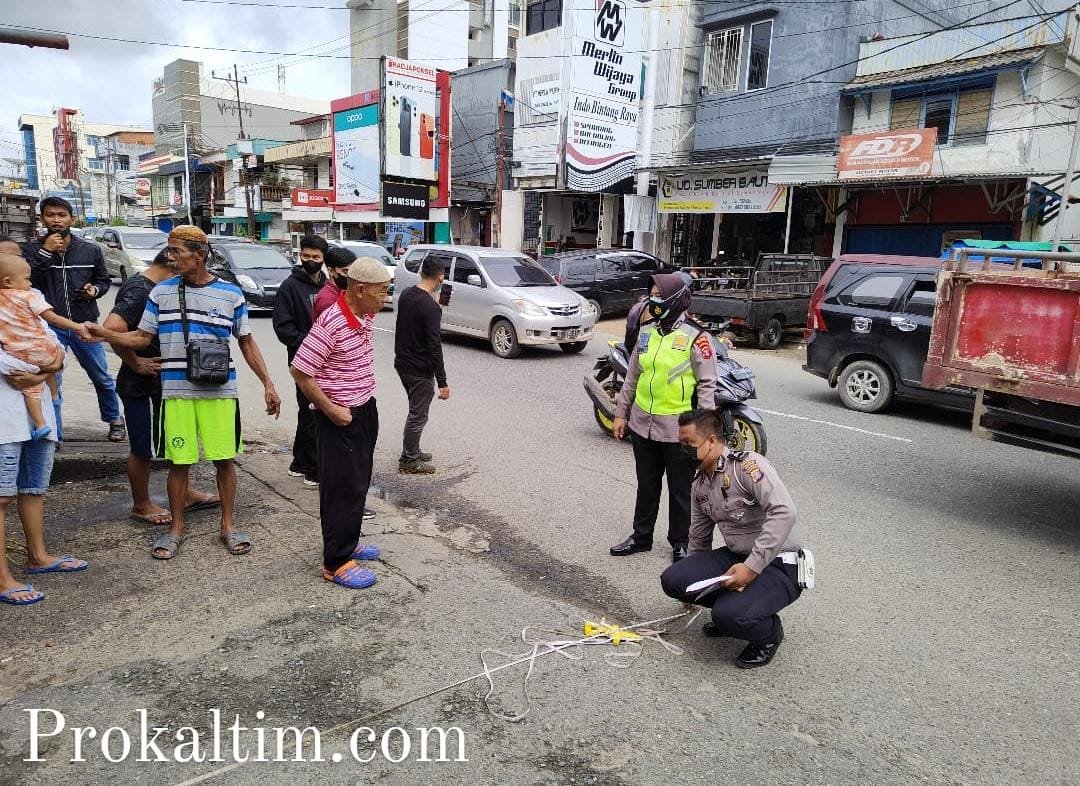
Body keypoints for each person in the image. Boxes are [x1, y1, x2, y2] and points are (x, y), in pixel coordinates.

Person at [88, 225, 281, 560]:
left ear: (200, 254)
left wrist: (268, 383)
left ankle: (228, 525)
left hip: (219, 393)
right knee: (179, 462)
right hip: (175, 393)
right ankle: (176, 528)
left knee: (224, 460)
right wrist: (105, 334)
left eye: (178, 251)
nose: (171, 257)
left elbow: (246, 341)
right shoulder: (160, 292)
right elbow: (141, 338)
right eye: (170, 251)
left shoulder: (230, 293)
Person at [660, 408, 805, 668]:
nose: (684, 451)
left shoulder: (747, 466)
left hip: (780, 562)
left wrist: (751, 568)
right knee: (674, 580)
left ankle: (768, 634)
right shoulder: (700, 484)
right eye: (680, 444)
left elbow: (785, 512)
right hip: (737, 556)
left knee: (729, 616)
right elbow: (699, 537)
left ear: (713, 441)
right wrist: (692, 589)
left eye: (689, 444)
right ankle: (735, 609)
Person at [290, 257, 391, 590]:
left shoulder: (364, 315)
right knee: (339, 489)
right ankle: (335, 562)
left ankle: (349, 541)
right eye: (382, 291)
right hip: (339, 416)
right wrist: (332, 411)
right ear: (359, 289)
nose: (385, 297)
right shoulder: (332, 322)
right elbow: (301, 371)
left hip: (363, 408)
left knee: (358, 483)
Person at [101, 248, 219, 526]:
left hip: (166, 382)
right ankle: (141, 504)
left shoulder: (154, 286)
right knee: (143, 447)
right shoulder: (141, 290)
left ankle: (186, 492)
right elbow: (112, 327)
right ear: (173, 266)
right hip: (142, 384)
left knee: (176, 440)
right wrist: (135, 362)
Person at [609, 273, 718, 563]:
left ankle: (681, 543)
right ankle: (641, 536)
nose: (653, 301)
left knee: (681, 490)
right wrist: (621, 414)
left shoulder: (697, 337)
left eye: (659, 295)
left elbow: (708, 386)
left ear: (675, 299)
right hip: (642, 425)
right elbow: (633, 376)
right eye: (651, 294)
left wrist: (703, 432)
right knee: (647, 484)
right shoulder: (646, 332)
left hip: (678, 431)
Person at [22, 197, 125, 442]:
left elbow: (103, 280)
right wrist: (46, 251)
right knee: (52, 381)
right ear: (42, 219)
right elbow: (26, 281)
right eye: (50, 215)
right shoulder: (32, 250)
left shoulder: (89, 250)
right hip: (49, 328)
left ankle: (114, 420)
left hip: (85, 324)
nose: (56, 220)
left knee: (101, 375)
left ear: (72, 218)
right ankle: (55, 433)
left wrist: (95, 291)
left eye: (61, 215)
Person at [0, 330, 87, 606]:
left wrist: (42, 370)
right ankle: (3, 578)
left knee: (33, 488)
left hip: (38, 419)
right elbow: (12, 366)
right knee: (1, 499)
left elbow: (59, 351)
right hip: (5, 421)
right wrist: (44, 366)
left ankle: (38, 556)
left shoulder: (30, 311)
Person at [0, 254, 96, 440]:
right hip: (41, 349)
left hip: (17, 354)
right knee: (36, 385)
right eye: (27, 279)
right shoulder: (28, 296)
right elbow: (51, 318)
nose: (30, 283)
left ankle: (48, 406)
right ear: (8, 281)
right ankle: (44, 416)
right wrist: (78, 327)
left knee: (34, 384)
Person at [273, 235, 329, 486]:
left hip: (325, 361)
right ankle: (312, 469)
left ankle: (298, 462)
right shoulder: (290, 287)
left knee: (310, 412)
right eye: (305, 256)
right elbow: (283, 329)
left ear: (323, 259)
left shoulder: (325, 286)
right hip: (302, 362)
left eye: (315, 257)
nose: (310, 261)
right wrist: (311, 344)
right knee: (311, 413)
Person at [394, 254, 450, 475]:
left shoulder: (408, 295)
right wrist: (443, 382)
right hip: (419, 368)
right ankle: (408, 460)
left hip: (403, 363)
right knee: (418, 414)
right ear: (441, 277)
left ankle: (413, 450)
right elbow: (434, 346)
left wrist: (434, 304)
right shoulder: (430, 307)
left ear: (421, 272)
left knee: (415, 410)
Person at [312, 246, 356, 321]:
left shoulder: (341, 292)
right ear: (331, 271)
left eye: (352, 271)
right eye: (345, 271)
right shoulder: (327, 300)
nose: (350, 276)